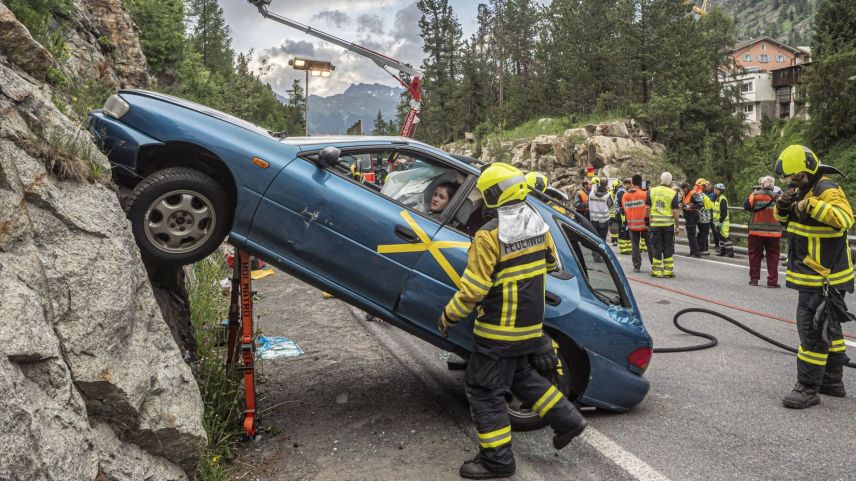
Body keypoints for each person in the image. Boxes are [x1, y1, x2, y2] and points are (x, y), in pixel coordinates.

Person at [439, 163, 587, 478]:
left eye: (483, 194)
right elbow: (550, 264)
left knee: (483, 389)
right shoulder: (537, 224)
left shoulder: (488, 236)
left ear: (494, 195)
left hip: (497, 331)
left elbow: (474, 289)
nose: (479, 199)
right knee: (523, 378)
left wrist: (449, 315)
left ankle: (497, 461)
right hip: (530, 328)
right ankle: (569, 420)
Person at [773, 145, 854, 409]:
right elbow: (787, 222)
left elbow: (844, 218)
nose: (794, 184)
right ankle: (832, 380)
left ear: (809, 169)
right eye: (791, 181)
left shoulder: (826, 189)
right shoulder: (804, 188)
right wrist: (783, 207)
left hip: (823, 275)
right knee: (829, 325)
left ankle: (808, 387)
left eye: (797, 178)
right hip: (814, 272)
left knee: (812, 329)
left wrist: (812, 204)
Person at [744, 176, 783, 287]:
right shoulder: (778, 197)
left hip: (756, 231)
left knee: (754, 254)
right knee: (773, 256)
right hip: (774, 232)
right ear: (773, 186)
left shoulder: (755, 195)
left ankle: (754, 279)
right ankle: (772, 281)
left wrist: (753, 193)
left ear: (762, 185)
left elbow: (746, 206)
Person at [648, 172, 681, 278]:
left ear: (660, 179)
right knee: (668, 246)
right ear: (670, 181)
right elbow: (675, 211)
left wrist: (647, 222)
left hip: (655, 224)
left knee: (657, 246)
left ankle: (657, 271)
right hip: (668, 225)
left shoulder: (652, 191)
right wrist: (677, 225)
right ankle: (667, 272)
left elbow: (647, 208)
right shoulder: (672, 193)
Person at [621, 174, 653, 273]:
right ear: (640, 182)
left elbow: (626, 210)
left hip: (632, 225)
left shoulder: (626, 195)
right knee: (650, 244)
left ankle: (637, 266)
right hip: (645, 224)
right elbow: (649, 208)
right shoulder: (645, 194)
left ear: (632, 183)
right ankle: (654, 265)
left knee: (635, 245)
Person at [680, 182, 704, 258]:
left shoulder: (693, 193)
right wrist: (681, 204)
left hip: (692, 215)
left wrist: (689, 206)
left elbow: (700, 204)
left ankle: (696, 253)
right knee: (690, 235)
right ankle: (692, 252)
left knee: (692, 235)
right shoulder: (685, 194)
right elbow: (685, 202)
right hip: (688, 216)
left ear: (687, 188)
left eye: (684, 189)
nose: (683, 190)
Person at [588, 177, 613, 243]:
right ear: (607, 184)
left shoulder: (591, 193)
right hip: (604, 221)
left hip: (593, 220)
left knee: (594, 239)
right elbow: (610, 205)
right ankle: (601, 252)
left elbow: (588, 202)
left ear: (599, 183)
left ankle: (595, 252)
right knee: (602, 240)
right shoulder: (607, 195)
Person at [712, 183, 733, 257]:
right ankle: (723, 251)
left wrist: (720, 222)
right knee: (720, 237)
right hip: (717, 221)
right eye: (714, 189)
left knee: (725, 237)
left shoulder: (722, 199)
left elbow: (723, 212)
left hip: (723, 222)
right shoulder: (716, 198)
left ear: (720, 190)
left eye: (716, 189)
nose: (714, 190)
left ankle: (730, 253)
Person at [695, 179, 714, 255]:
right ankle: (702, 249)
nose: (707, 187)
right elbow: (709, 207)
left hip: (699, 218)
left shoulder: (696, 195)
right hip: (705, 218)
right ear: (702, 187)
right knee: (704, 234)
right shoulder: (704, 196)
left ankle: (698, 247)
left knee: (700, 233)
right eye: (705, 186)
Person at [616, 178, 632, 255]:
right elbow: (621, 204)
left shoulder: (624, 191)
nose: (632, 186)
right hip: (622, 214)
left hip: (626, 214)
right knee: (623, 230)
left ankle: (628, 248)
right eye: (631, 184)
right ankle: (623, 249)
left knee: (627, 230)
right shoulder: (621, 192)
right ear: (628, 184)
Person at [609, 179, 620, 246]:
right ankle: (615, 240)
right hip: (614, 213)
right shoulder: (611, 193)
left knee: (615, 228)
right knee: (614, 228)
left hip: (614, 213)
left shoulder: (610, 193)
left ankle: (615, 240)